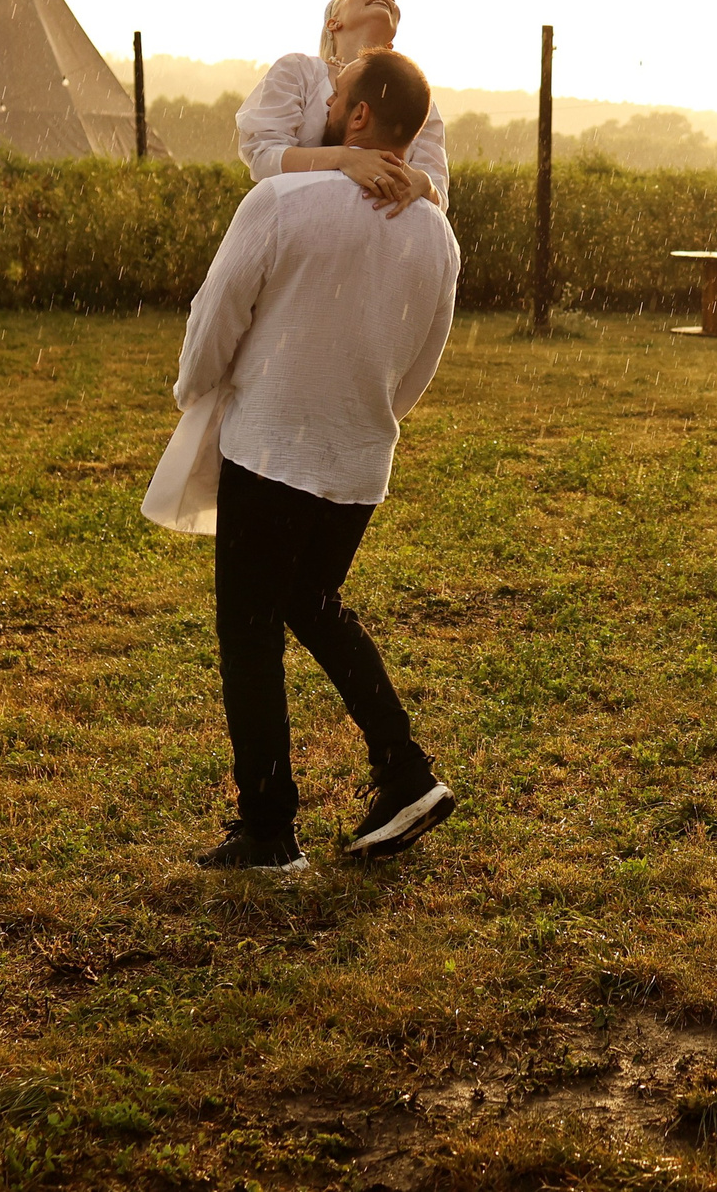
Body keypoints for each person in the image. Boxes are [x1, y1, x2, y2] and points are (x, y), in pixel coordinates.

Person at [143, 49, 462, 872]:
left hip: (272, 447)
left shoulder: (279, 201)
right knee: (312, 602)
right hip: (358, 463)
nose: (322, 98)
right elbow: (421, 360)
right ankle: (403, 768)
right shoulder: (436, 233)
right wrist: (367, 415)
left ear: (357, 117)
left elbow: (217, 315)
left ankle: (269, 828)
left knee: (248, 633)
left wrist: (195, 389)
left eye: (336, 90)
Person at [235, 0, 449, 216]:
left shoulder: (415, 96)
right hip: (298, 223)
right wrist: (344, 158)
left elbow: (438, 200)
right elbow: (262, 155)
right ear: (333, 22)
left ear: (390, 44)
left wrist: (425, 184)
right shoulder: (298, 71)